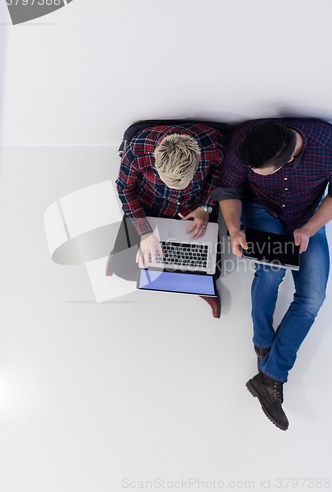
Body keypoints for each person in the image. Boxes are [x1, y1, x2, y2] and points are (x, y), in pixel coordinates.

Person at [212, 118, 332, 430]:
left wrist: (310, 228)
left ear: (289, 157)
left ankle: (270, 376)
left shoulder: (327, 142)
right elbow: (229, 188)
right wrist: (235, 229)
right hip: (261, 210)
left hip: (308, 215)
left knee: (313, 298)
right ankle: (263, 343)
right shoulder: (245, 141)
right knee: (270, 270)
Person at [109, 123, 226, 317]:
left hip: (194, 209)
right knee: (122, 268)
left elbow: (222, 171)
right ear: (155, 160)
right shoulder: (138, 148)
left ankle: (196, 284)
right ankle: (192, 285)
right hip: (150, 205)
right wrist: (145, 232)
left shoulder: (213, 144)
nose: (176, 191)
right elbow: (124, 188)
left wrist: (206, 206)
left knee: (214, 272)